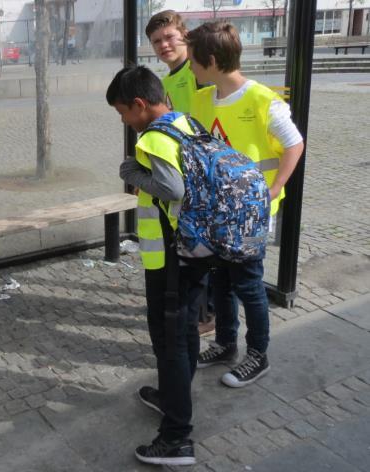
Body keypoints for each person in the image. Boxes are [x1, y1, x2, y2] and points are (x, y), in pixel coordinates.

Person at [186, 22, 304, 388]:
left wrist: (274, 189)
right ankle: (224, 344)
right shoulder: (202, 100)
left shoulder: (262, 100)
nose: (189, 67)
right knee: (221, 282)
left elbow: (294, 144)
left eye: (193, 61)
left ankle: (258, 354)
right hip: (215, 214)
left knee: (249, 285)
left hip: (250, 215)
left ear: (210, 60)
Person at [107, 65, 209, 466]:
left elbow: (171, 189)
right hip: (198, 250)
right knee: (184, 330)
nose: (123, 121)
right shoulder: (187, 122)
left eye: (123, 113)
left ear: (139, 104)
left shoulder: (153, 139)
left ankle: (177, 437)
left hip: (171, 257)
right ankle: (174, 395)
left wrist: (130, 171)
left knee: (169, 341)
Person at [146, 9, 216, 335]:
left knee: (203, 245)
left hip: (208, 167)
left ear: (184, 35)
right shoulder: (167, 80)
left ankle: (206, 314)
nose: (163, 45)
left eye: (169, 37)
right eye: (157, 41)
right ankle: (201, 308)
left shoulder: (199, 71)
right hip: (187, 169)